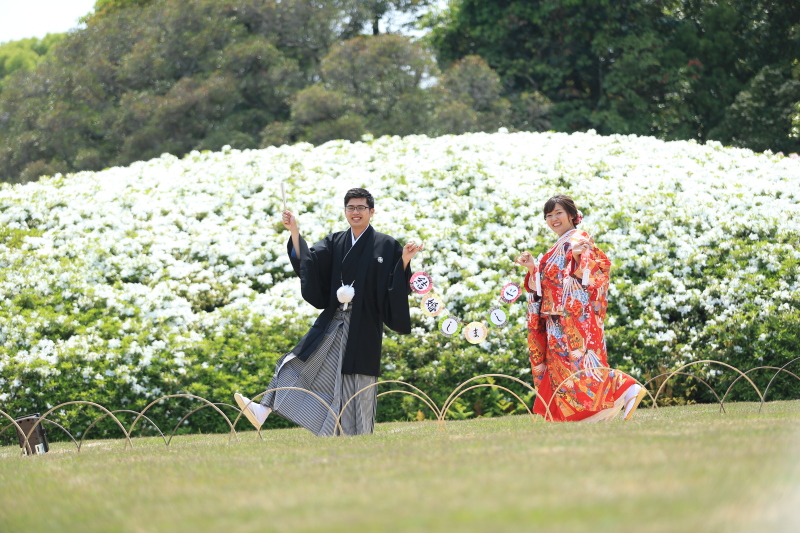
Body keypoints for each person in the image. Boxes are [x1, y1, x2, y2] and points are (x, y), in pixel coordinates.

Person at [235, 188, 422, 436]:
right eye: (351, 208)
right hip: (334, 320)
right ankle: (264, 410)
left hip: (363, 324)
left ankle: (356, 433)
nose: (356, 212)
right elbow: (309, 263)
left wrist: (405, 261)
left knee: (353, 382)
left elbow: (395, 285)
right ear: (345, 211)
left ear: (372, 212)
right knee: (294, 364)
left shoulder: (387, 245)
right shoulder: (335, 241)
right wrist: (294, 231)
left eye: (361, 208)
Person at [515, 195, 645, 422]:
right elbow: (548, 281)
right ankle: (579, 416)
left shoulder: (579, 238)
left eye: (558, 213)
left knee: (582, 365)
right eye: (549, 215)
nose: (553, 219)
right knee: (564, 371)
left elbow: (595, 271)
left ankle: (627, 387)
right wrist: (532, 268)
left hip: (575, 317)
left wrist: (578, 257)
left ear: (572, 215)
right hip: (554, 317)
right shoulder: (556, 246)